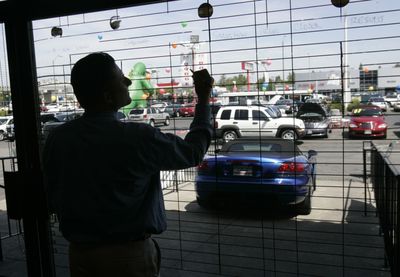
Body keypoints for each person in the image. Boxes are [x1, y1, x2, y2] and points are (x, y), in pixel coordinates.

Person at [43, 52, 213, 277]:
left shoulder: (59, 138)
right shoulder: (137, 137)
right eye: (121, 77)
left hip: (80, 255)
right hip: (127, 258)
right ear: (107, 96)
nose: (128, 81)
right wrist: (203, 99)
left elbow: (51, 196)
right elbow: (192, 153)